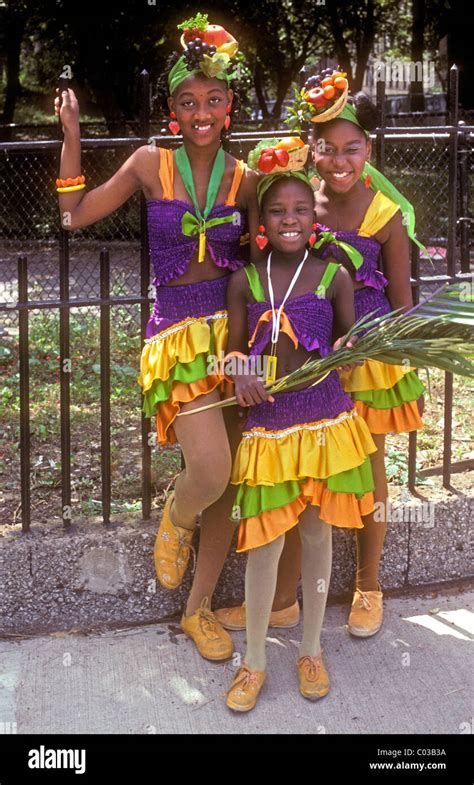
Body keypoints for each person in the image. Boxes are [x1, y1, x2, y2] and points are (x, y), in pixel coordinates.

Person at [54, 14, 260, 661]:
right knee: (208, 470)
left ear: (229, 106)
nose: (202, 112)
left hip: (233, 336)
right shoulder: (149, 163)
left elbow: (269, 261)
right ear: (174, 109)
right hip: (177, 335)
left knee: (232, 485)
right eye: (189, 102)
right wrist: (72, 139)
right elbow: (73, 214)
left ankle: (197, 609)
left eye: (214, 100)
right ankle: (175, 515)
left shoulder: (248, 178)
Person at [217, 78, 425, 641]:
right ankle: (283, 601)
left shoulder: (386, 213)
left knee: (368, 474)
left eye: (351, 148)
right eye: (327, 148)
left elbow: (404, 305)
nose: (339, 160)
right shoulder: (301, 197)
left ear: (369, 151)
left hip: (367, 350)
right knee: (300, 472)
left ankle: (369, 583)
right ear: (311, 149)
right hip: (307, 352)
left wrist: (366, 346)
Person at [222, 142, 377, 711]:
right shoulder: (244, 282)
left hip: (324, 422)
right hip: (268, 427)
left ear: (315, 219)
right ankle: (255, 659)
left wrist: (349, 348)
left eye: (300, 211)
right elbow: (233, 355)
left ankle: (311, 647)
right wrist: (241, 376)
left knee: (316, 532)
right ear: (261, 222)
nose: (290, 219)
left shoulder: (335, 276)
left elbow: (347, 343)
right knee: (264, 543)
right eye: (278, 211)